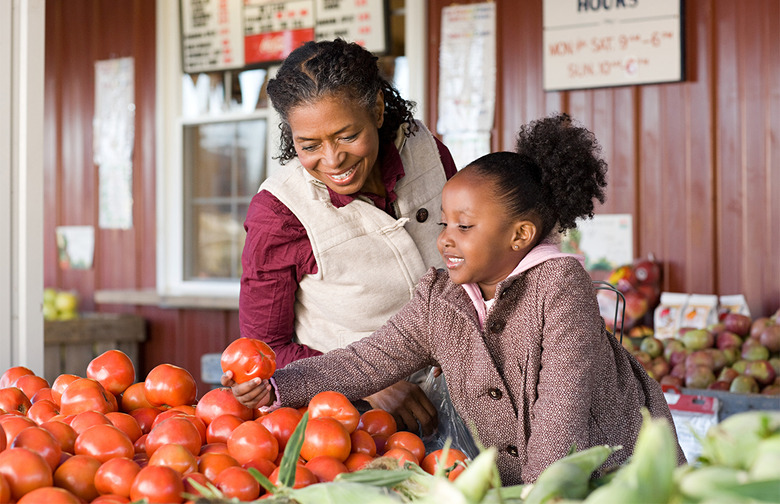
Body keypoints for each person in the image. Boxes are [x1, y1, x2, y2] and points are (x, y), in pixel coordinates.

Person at [228, 112, 686, 484]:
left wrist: (539, 495)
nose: (446, 239)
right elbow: (362, 362)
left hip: (616, 479)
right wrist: (278, 386)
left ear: (519, 235)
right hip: (530, 488)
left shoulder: (561, 288)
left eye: (464, 227)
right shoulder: (440, 297)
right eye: (443, 224)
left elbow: (560, 415)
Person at [226, 38, 458, 435]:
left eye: (347, 136)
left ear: (378, 111)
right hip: (352, 422)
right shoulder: (279, 214)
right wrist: (371, 380)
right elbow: (265, 351)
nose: (333, 160)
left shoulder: (427, 152)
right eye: (309, 145)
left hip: (464, 391)